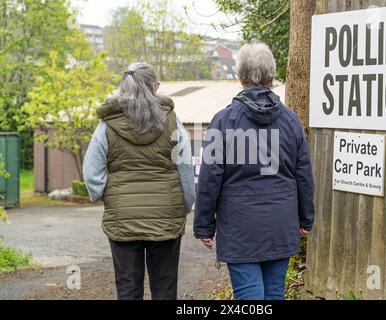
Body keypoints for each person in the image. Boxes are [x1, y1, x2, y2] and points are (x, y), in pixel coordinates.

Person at [194, 43, 315, 300]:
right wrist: (305, 218)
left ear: (240, 77)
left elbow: (209, 178)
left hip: (240, 227)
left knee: (249, 296)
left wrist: (205, 225)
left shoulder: (223, 121)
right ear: (271, 77)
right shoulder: (290, 121)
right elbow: (303, 173)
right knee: (273, 295)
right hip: (281, 222)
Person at [83, 62, 195, 300]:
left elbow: (91, 172)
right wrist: (184, 208)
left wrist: (108, 196)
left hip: (122, 217)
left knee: (128, 288)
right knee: (165, 288)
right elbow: (185, 170)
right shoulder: (173, 122)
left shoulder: (107, 125)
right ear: (154, 87)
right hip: (166, 216)